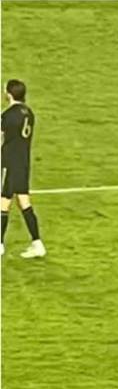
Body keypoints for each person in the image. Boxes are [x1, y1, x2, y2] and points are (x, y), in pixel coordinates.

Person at [1, 79, 46, 258]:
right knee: (23, 202)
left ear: (9, 93)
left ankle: (0, 244)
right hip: (23, 162)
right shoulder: (29, 113)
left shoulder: (7, 116)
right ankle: (37, 243)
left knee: (3, 202)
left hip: (8, 163)